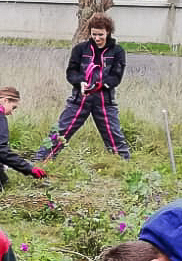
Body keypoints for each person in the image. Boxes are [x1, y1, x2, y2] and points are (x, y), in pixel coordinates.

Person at [35, 12, 130, 161]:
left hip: (105, 102)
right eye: (94, 34)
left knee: (114, 136)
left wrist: (101, 85)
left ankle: (124, 166)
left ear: (108, 32)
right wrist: (81, 83)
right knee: (60, 132)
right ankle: (39, 163)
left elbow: (116, 77)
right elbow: (71, 72)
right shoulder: (80, 49)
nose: (97, 38)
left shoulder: (118, 51)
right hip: (79, 100)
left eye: (101, 35)